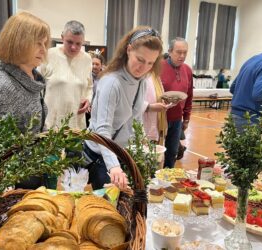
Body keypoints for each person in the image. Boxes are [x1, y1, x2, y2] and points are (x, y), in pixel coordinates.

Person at [83, 26, 164, 190]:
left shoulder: (141, 80)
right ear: (128, 50)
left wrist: (142, 144)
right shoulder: (112, 83)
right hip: (101, 154)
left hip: (121, 152)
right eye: (140, 60)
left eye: (150, 63)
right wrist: (113, 166)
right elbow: (102, 130)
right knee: (107, 207)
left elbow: (136, 117)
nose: (144, 68)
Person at [0, 12, 50, 189]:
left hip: (34, 169)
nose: (44, 50)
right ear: (19, 42)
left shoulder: (33, 78)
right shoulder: (2, 83)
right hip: (15, 180)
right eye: (38, 44)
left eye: (44, 44)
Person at [39, 20, 92, 130]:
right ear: (62, 37)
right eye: (69, 42)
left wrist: (88, 99)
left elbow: (89, 86)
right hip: (51, 125)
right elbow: (36, 86)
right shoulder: (49, 54)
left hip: (76, 125)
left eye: (78, 44)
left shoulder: (87, 59)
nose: (74, 47)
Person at [160, 37, 193, 168]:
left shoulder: (187, 70)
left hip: (177, 120)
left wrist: (187, 118)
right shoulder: (159, 67)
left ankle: (167, 182)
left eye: (185, 52)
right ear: (169, 51)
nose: (182, 55)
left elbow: (189, 95)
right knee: (156, 154)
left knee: (172, 153)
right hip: (160, 118)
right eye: (178, 52)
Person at [143, 72, 168, 145]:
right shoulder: (136, 75)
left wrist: (166, 100)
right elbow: (131, 102)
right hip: (143, 126)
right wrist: (149, 107)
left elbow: (161, 94)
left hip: (157, 123)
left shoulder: (155, 75)